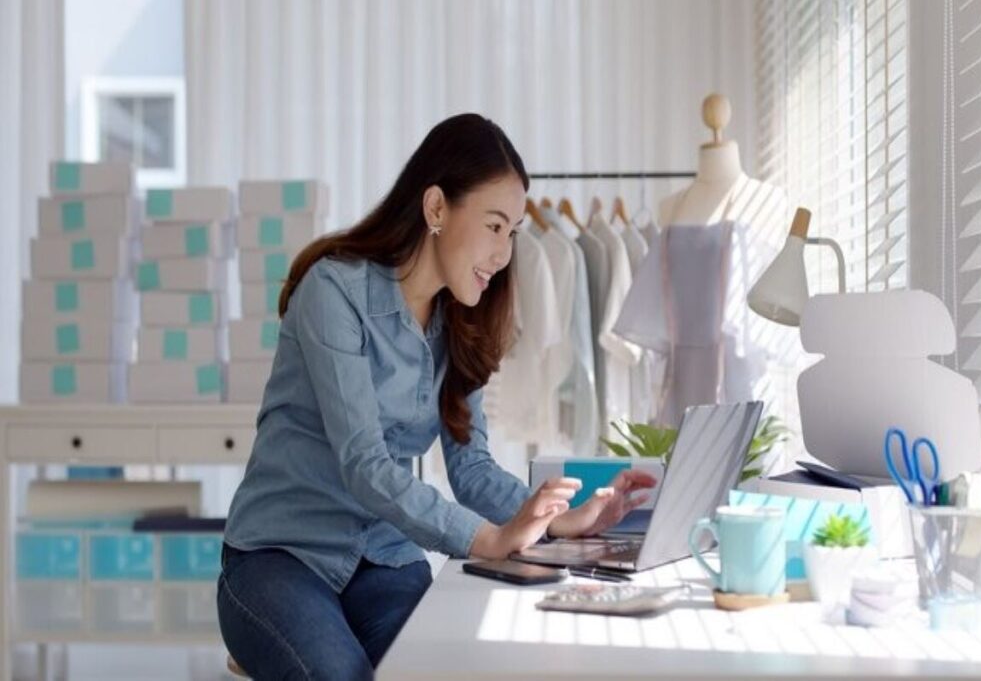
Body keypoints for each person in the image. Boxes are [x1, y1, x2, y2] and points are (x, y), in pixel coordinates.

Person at [217, 113, 657, 680]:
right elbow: (365, 464)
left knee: (444, 666)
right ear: (436, 209)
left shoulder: (461, 320)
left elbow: (469, 467)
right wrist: (488, 538)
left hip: (384, 558)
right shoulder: (333, 292)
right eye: (494, 226)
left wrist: (557, 521)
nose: (503, 254)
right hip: (280, 557)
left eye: (513, 232)